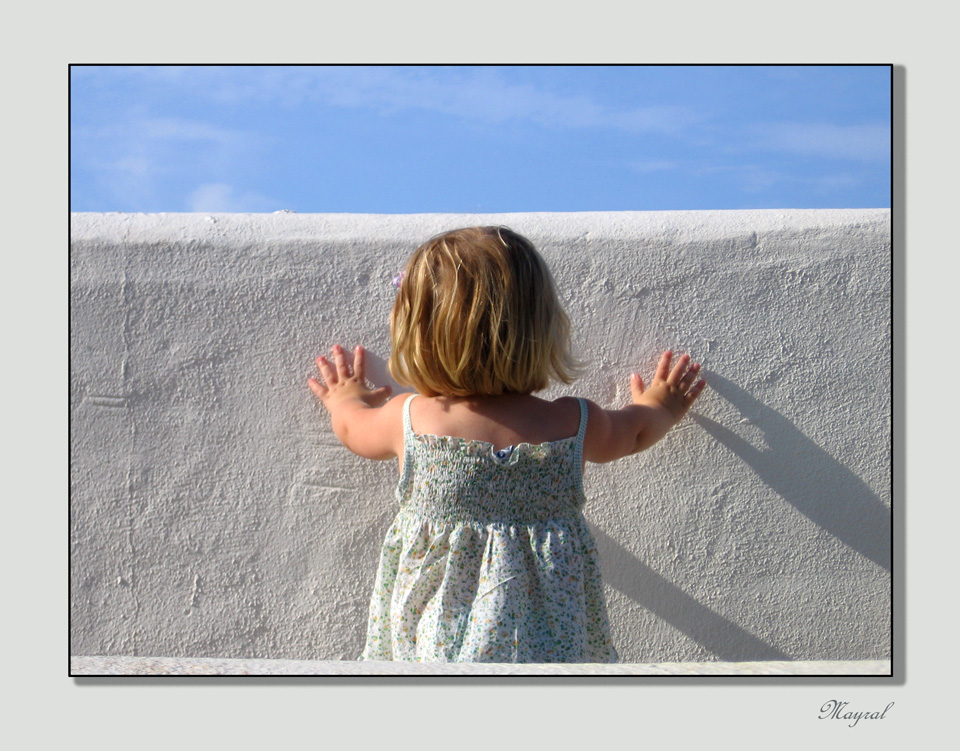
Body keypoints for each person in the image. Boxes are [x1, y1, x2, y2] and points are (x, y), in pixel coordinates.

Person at [308, 226, 706, 662]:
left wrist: (344, 397)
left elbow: (352, 429)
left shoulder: (409, 420)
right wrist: (661, 405)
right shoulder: (571, 422)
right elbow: (634, 432)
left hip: (438, 650)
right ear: (541, 326)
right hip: (549, 652)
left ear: (418, 333)